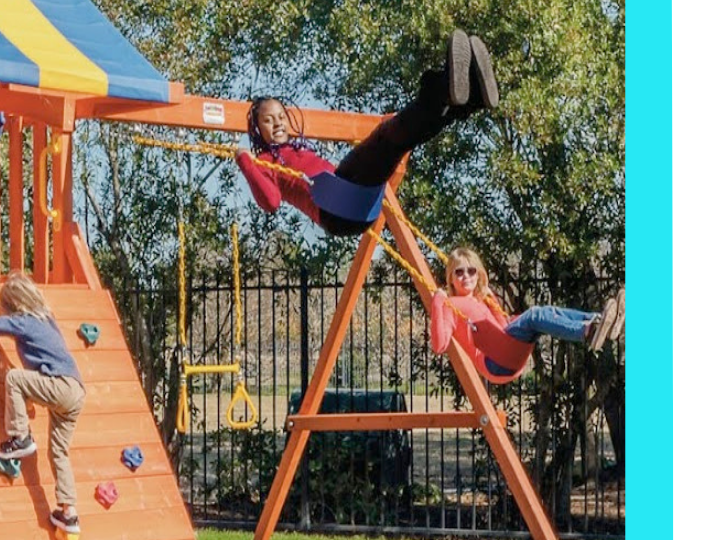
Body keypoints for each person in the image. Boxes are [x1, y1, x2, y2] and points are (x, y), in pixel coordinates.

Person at [237, 30, 498, 237]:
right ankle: (444, 87)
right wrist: (245, 161)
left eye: (281, 117)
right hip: (336, 209)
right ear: (257, 129)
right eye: (268, 121)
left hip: (355, 200)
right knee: (387, 135)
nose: (278, 124)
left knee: (398, 143)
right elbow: (271, 202)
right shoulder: (265, 162)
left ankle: (467, 100)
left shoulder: (296, 149)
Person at [0, 270, 86, 537]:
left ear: (14, 306)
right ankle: (69, 513)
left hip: (59, 385)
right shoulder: (47, 320)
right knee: (58, 452)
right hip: (75, 391)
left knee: (14, 378)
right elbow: (45, 358)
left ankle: (20, 438)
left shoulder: (23, 322)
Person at [431, 246, 625, 382]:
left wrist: (492, 300)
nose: (466, 276)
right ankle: (588, 331)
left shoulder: (480, 300)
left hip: (507, 354)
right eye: (459, 272)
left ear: (478, 273)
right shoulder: (450, 305)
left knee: (547, 312)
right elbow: (440, 345)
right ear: (451, 277)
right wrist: (438, 301)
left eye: (471, 271)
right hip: (495, 362)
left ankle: (598, 322)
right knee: (535, 315)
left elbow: (503, 327)